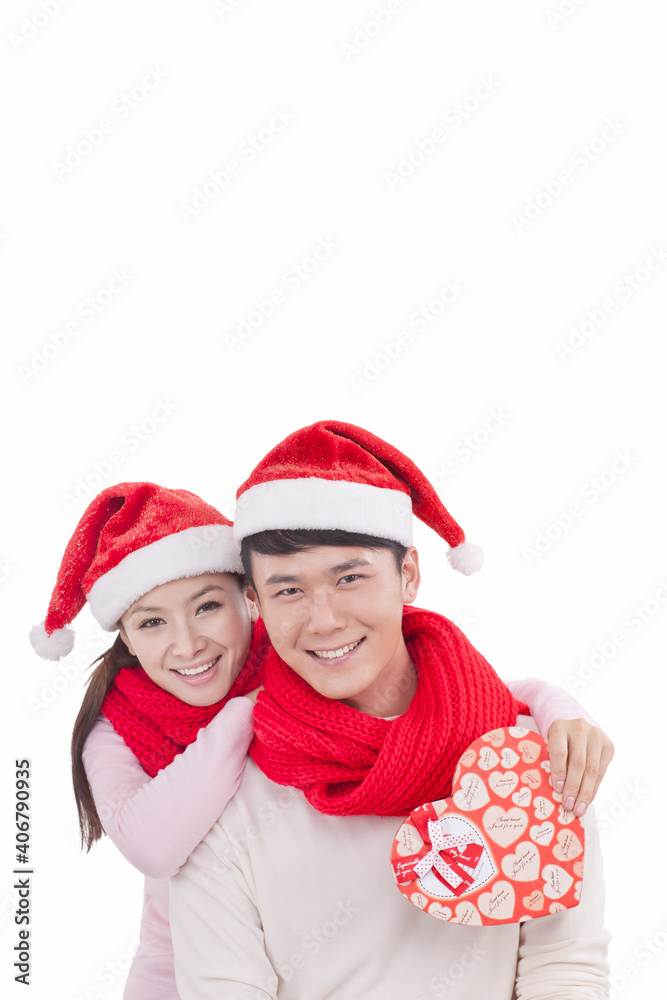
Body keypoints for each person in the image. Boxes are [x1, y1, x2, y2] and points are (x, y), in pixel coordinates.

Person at [169, 420, 612, 999]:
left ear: (408, 574)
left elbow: (565, 967)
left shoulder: (532, 759)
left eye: (349, 577)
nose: (324, 620)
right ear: (255, 604)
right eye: (288, 591)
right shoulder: (218, 796)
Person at [29, 482, 266, 999]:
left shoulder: (308, 668)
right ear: (128, 639)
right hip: (178, 982)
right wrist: (249, 709)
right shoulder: (112, 728)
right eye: (153, 622)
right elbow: (154, 846)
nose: (186, 644)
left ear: (249, 599)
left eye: (206, 607)